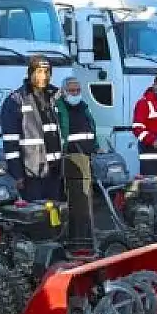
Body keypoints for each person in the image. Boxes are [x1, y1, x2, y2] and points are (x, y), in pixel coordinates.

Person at [1, 55, 64, 202]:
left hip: (56, 173)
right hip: (31, 174)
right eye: (39, 71)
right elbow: (10, 143)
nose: (44, 76)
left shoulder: (56, 97)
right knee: (36, 219)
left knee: (56, 217)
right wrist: (17, 174)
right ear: (30, 73)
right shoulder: (16, 100)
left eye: (47, 71)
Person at [55, 76, 99, 241]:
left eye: (77, 91)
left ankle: (88, 233)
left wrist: (96, 146)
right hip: (71, 160)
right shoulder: (59, 108)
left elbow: (91, 128)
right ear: (64, 92)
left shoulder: (84, 107)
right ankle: (75, 236)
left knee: (87, 199)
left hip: (86, 158)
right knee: (74, 202)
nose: (75, 94)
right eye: (71, 91)